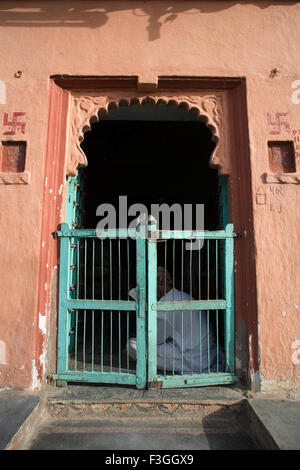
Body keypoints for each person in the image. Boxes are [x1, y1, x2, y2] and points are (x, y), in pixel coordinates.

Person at [126, 267, 225, 374]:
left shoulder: (165, 305)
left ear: (157, 285)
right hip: (205, 354)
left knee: (132, 344)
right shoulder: (181, 296)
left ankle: (139, 358)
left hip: (191, 360)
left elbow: (154, 339)